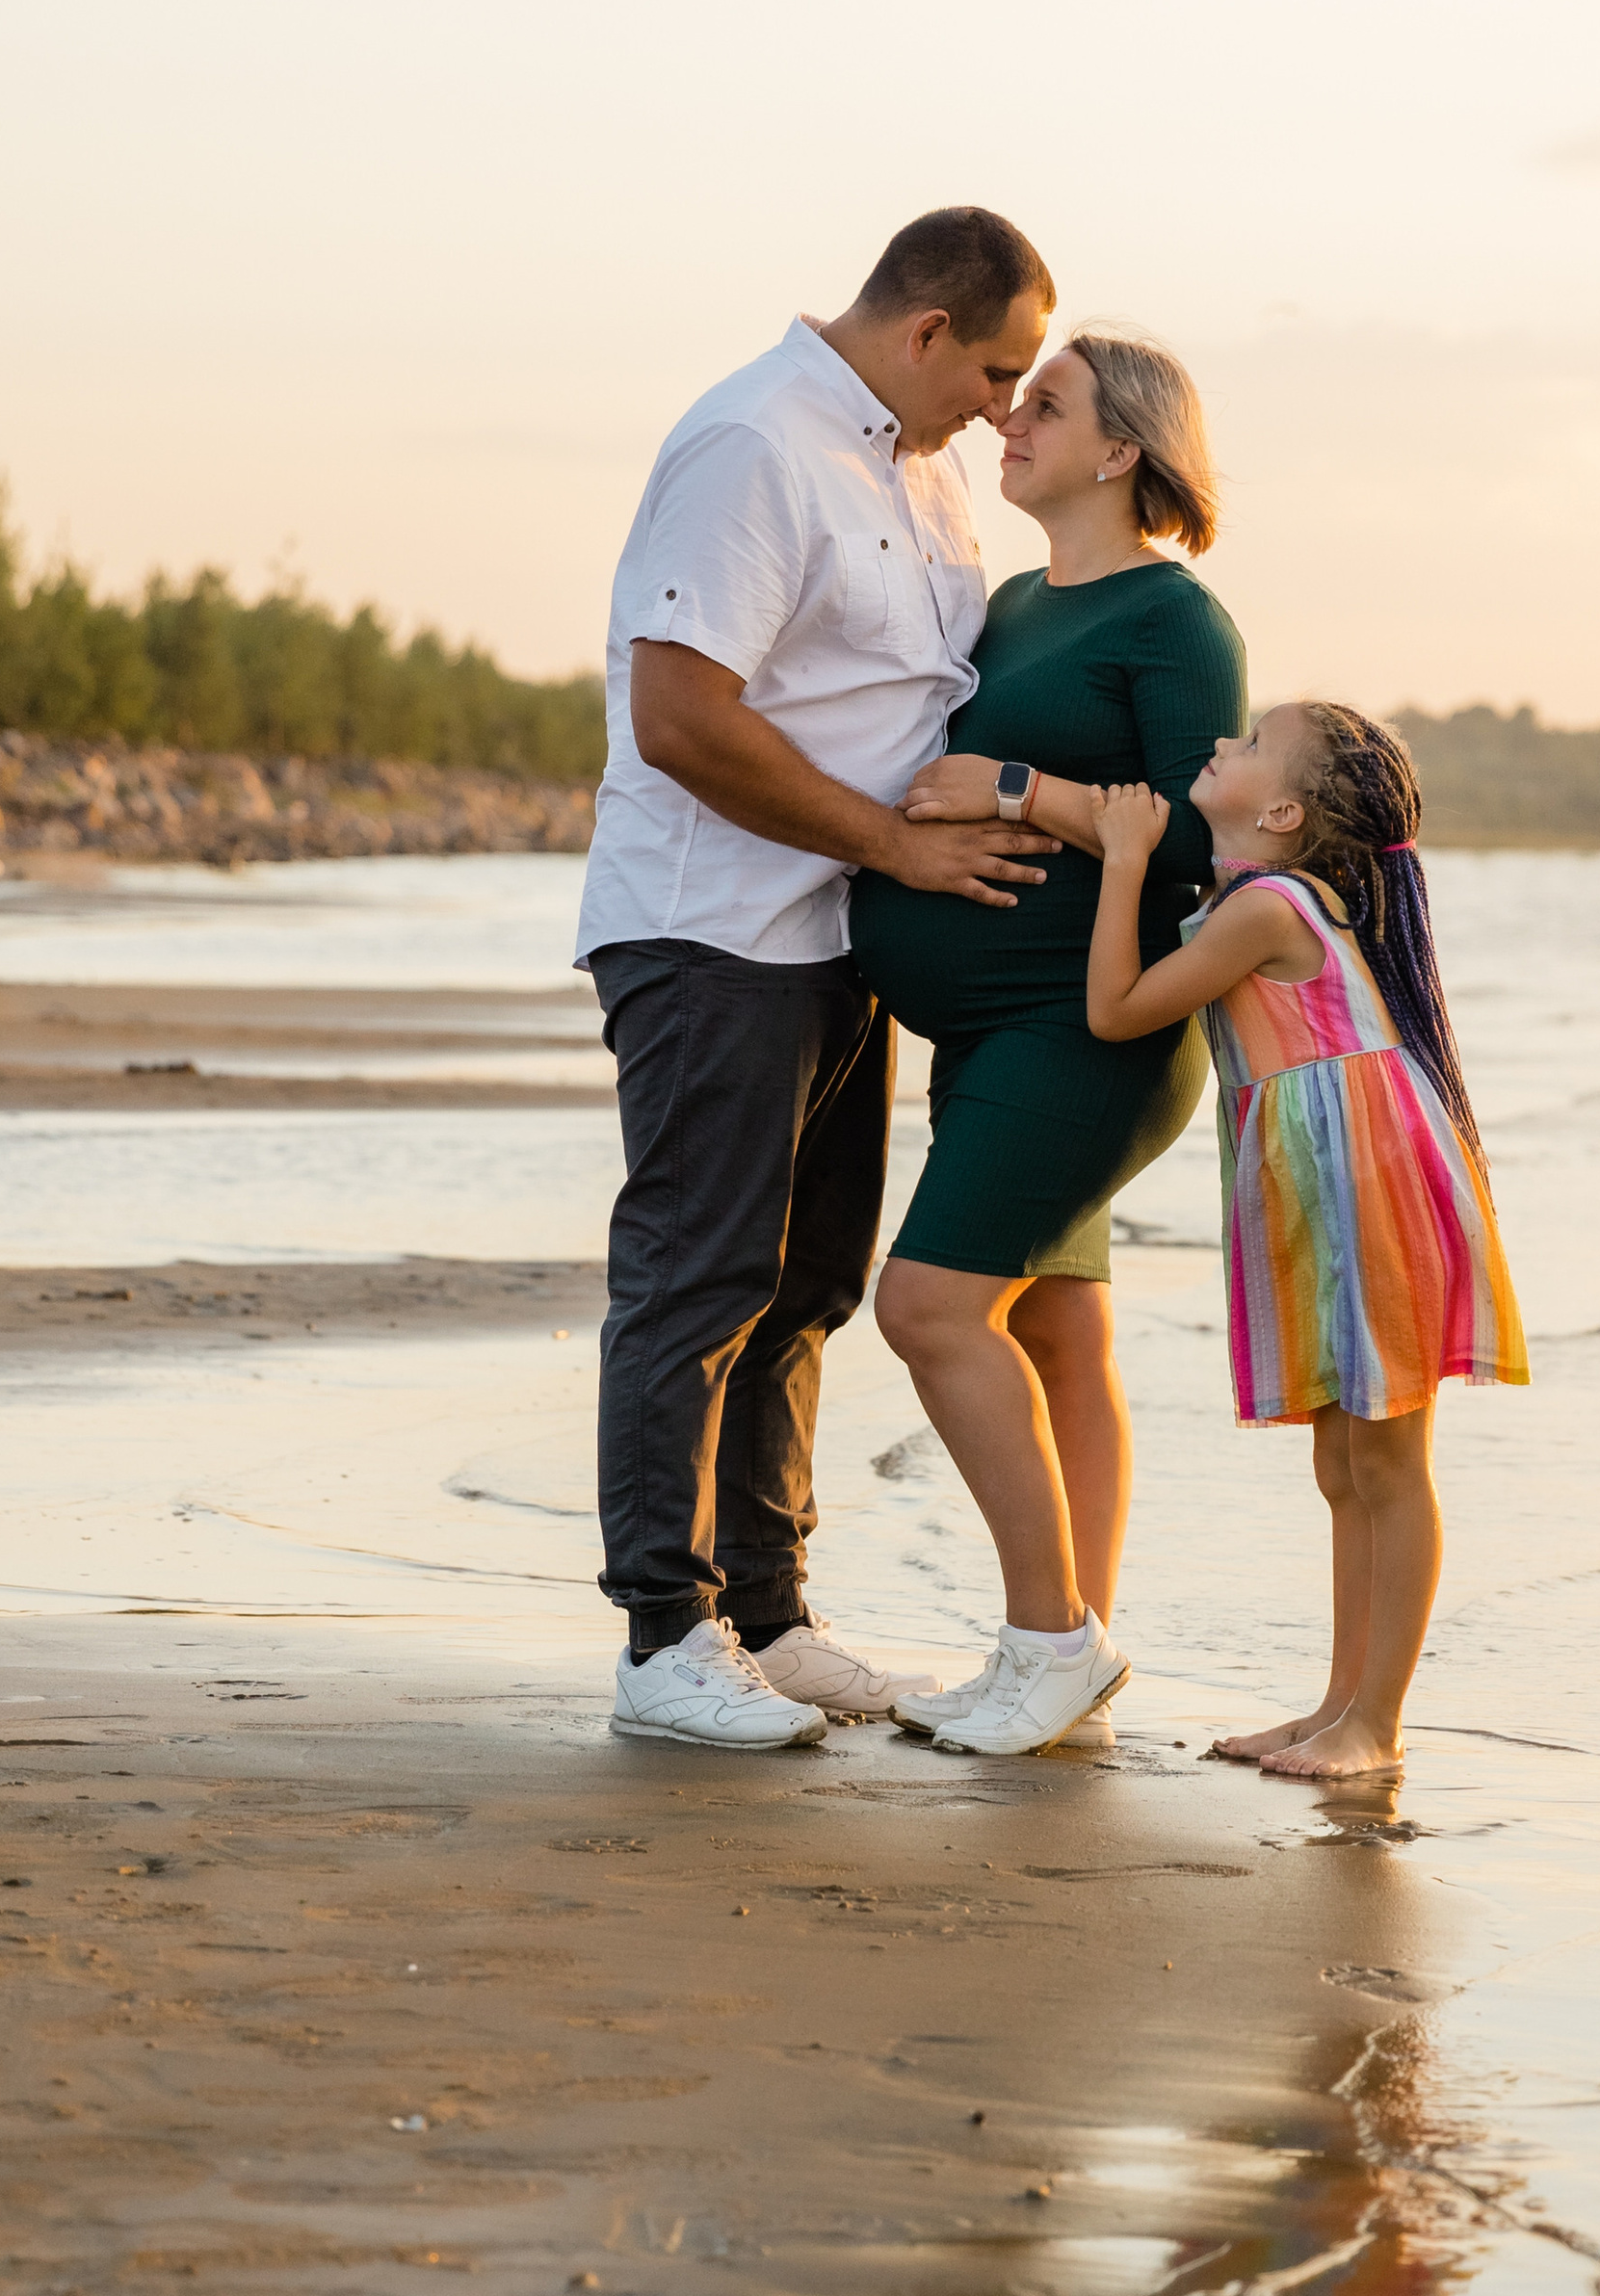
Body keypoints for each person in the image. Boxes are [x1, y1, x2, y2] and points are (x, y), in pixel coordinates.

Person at [580, 208, 1066, 1753]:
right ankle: (665, 1639)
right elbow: (680, 715)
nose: (1005, 408)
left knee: (805, 1291)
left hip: (837, 941)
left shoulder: (919, 476)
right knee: (697, 1282)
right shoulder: (754, 444)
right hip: (710, 928)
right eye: (996, 370)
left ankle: (768, 1617)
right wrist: (897, 846)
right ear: (927, 329)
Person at [843, 330, 1246, 1758]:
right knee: (1060, 1333)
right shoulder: (1013, 601)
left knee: (929, 1311)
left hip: (1092, 1033)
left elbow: (1206, 837)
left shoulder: (1175, 623)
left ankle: (1047, 1644)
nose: (1009, 419)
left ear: (1122, 452)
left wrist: (1018, 785)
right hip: (993, 1031)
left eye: (1047, 403)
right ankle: (1064, 1650)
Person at [1082, 704, 1529, 1780]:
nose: (1219, 745)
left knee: (1386, 1459)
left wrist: (1122, 857)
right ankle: (1340, 1704)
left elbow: (1116, 1009)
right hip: (1325, 1182)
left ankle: (1378, 1724)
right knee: (1342, 1463)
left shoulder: (1270, 908)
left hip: (1365, 1185)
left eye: (1245, 745)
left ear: (1280, 810)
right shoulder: (1265, 899)